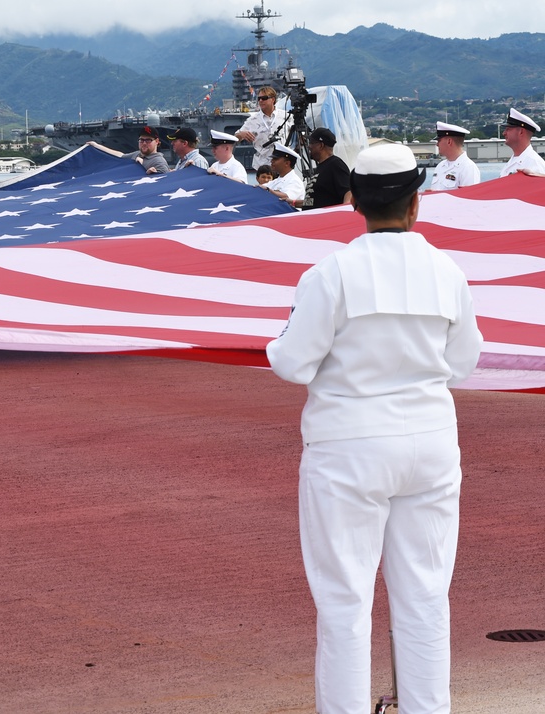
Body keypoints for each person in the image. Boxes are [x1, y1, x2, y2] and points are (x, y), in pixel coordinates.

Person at [267, 143, 483, 714]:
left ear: (353, 202)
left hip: (349, 447)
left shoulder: (330, 273)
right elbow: (463, 363)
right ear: (416, 204)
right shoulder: (448, 270)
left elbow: (292, 364)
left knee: (344, 604)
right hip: (430, 445)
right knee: (426, 599)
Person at [236, 86, 290, 169]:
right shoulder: (252, 120)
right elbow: (235, 138)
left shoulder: (287, 116)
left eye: (264, 98)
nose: (261, 101)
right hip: (262, 167)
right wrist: (241, 134)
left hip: (283, 165)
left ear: (273, 99)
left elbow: (301, 137)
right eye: (259, 98)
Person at [298, 127, 351, 209]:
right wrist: (293, 202)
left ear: (321, 145)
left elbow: (348, 192)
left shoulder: (335, 165)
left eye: (311, 143)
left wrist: (343, 213)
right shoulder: (321, 167)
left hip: (327, 220)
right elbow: (315, 202)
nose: (309, 146)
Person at [87, 126, 169, 174]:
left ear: (157, 141)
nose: (144, 143)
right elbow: (120, 155)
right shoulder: (137, 154)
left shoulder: (159, 162)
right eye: (141, 140)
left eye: (148, 140)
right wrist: (96, 146)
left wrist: (147, 171)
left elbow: (165, 184)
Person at [429, 122, 481, 191]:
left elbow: (470, 198)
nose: (437, 144)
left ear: (449, 141)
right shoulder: (440, 166)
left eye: (439, 140)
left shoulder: (468, 168)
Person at [499, 108, 545, 177]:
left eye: (508, 129)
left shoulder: (535, 164)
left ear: (521, 132)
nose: (504, 133)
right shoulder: (513, 161)